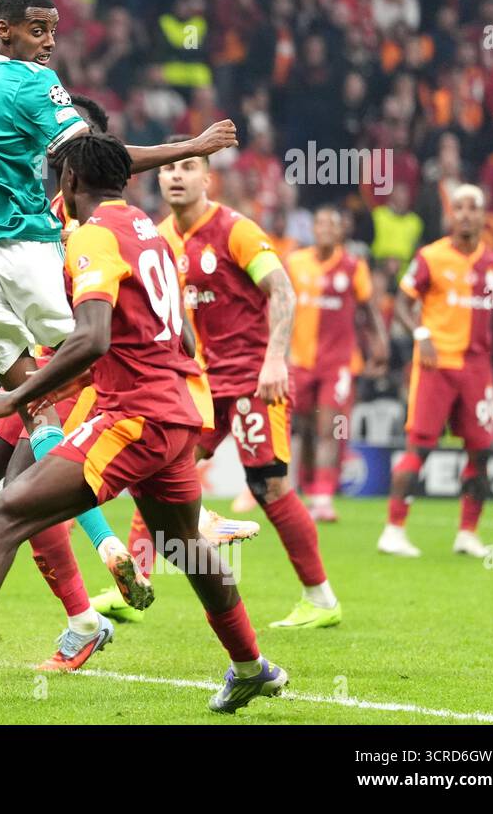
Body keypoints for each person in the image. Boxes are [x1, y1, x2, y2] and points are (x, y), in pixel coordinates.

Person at [0, 134, 286, 722]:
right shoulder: (147, 229)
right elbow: (176, 340)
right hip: (175, 413)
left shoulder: (92, 236)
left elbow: (92, 337)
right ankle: (251, 668)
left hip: (135, 418)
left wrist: (17, 393)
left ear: (69, 184)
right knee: (184, 544)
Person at [0, 0, 237, 570]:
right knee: (102, 369)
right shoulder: (38, 90)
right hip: (21, 248)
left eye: (53, 30)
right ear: (5, 29)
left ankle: (100, 562)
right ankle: (172, 511)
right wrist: (191, 145)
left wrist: (7, 333)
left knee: (34, 418)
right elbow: (98, 157)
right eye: (37, 30)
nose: (49, 42)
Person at [154, 141, 342, 629]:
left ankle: (320, 597)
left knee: (269, 484)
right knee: (162, 463)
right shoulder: (157, 238)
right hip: (201, 379)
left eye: (188, 167)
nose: (177, 175)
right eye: (169, 167)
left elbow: (281, 288)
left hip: (254, 376)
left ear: (206, 179)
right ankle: (137, 574)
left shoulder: (235, 229)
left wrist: (275, 359)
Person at [381, 184, 493, 558]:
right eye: (459, 208)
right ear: (452, 215)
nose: (465, 214)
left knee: (481, 451)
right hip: (435, 367)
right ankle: (394, 529)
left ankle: (468, 533)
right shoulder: (430, 257)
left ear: (483, 216)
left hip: (477, 371)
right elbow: (402, 302)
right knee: (420, 447)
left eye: (473, 208)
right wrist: (420, 333)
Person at [285, 206, 388, 521]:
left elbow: (368, 309)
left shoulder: (353, 266)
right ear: (312, 229)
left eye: (332, 224)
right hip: (300, 360)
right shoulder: (294, 263)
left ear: (341, 231)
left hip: (339, 364)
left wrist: (380, 342)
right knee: (301, 428)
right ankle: (298, 490)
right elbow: (278, 304)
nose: (326, 229)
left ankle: (323, 498)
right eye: (320, 223)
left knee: (327, 428)